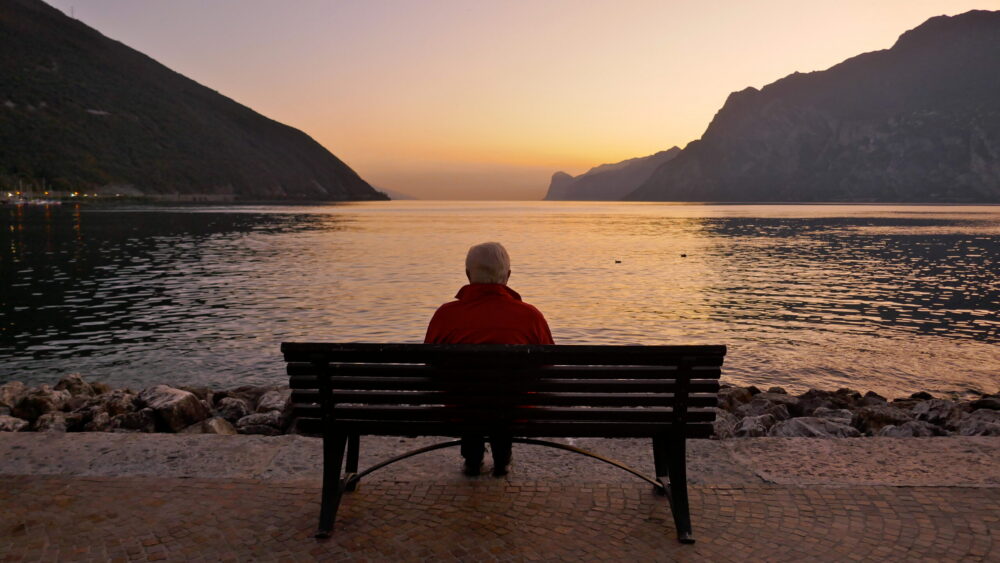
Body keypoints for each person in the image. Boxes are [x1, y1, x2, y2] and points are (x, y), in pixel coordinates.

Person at [424, 241, 554, 477]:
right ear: (508, 276)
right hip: (514, 410)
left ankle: (472, 457)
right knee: (506, 395)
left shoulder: (445, 315)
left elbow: (430, 364)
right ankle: (502, 457)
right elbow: (548, 366)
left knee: (467, 394)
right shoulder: (530, 316)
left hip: (462, 410)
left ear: (468, 275)